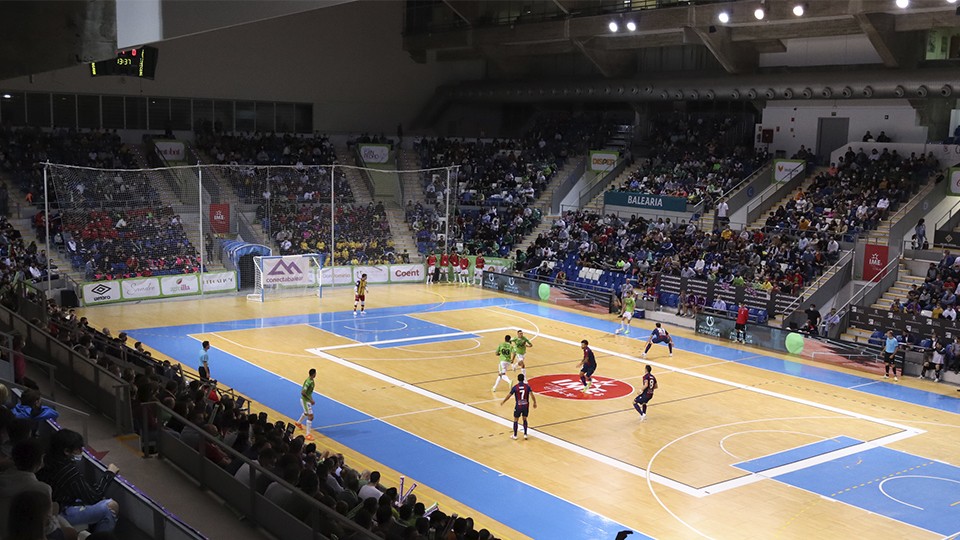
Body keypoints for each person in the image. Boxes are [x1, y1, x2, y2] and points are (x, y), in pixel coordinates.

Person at [37, 429, 120, 534]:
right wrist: (109, 474)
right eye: (78, 449)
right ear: (66, 451)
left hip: (49, 507)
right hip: (60, 511)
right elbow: (93, 497)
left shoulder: (46, 460)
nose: (81, 452)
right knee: (111, 506)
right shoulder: (68, 471)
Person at [500, 373, 537, 440]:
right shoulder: (527, 386)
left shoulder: (515, 387)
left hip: (518, 406)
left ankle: (515, 435)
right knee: (525, 419)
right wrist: (534, 402)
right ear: (523, 379)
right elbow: (532, 395)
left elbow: (509, 395)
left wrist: (503, 401)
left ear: (518, 379)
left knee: (516, 420)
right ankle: (525, 434)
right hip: (526, 405)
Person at [295, 368, 317, 441]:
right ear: (313, 374)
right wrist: (310, 400)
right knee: (311, 416)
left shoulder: (311, 380)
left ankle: (298, 423)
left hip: (307, 400)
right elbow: (303, 392)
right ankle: (308, 435)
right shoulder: (308, 382)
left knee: (306, 413)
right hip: (305, 401)